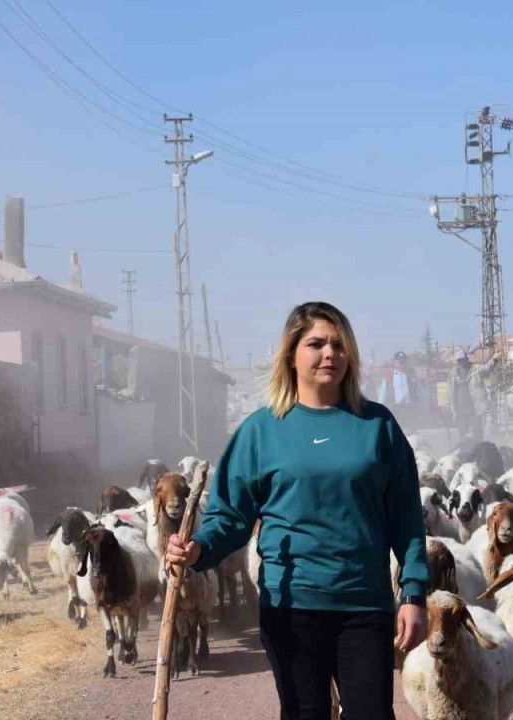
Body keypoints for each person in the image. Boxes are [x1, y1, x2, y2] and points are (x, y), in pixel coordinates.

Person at [165, 301, 428, 720]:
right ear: (291, 353)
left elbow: (406, 519)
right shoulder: (261, 430)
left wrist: (413, 593)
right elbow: (230, 516)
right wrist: (198, 549)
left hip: (364, 605)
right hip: (291, 606)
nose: (330, 355)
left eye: (340, 346)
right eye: (317, 344)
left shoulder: (378, 426)